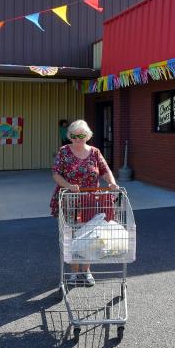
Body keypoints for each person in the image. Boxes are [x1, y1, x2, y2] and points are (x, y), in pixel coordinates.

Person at [50, 119, 118, 286]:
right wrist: (68, 186)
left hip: (90, 200)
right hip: (69, 200)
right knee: (72, 236)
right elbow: (56, 174)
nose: (77, 139)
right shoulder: (64, 151)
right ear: (69, 136)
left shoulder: (94, 152)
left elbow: (105, 170)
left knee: (89, 237)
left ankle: (86, 270)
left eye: (81, 135)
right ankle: (73, 273)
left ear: (87, 135)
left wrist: (111, 182)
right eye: (74, 136)